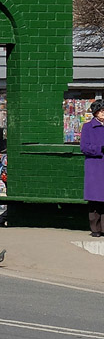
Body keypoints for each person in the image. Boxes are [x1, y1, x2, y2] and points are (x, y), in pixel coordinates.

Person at [78, 100, 104, 237]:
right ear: (96, 113)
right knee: (95, 200)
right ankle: (95, 229)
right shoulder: (88, 127)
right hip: (95, 168)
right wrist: (100, 149)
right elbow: (84, 147)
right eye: (102, 111)